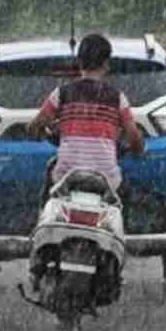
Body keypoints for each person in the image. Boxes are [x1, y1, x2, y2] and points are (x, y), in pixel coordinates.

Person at [27, 33, 144, 211]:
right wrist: (138, 148)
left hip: (66, 179)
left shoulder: (61, 94)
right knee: (122, 204)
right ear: (106, 64)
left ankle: (42, 223)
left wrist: (41, 131)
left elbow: (35, 126)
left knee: (49, 198)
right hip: (106, 181)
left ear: (80, 63)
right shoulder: (118, 99)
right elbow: (134, 138)